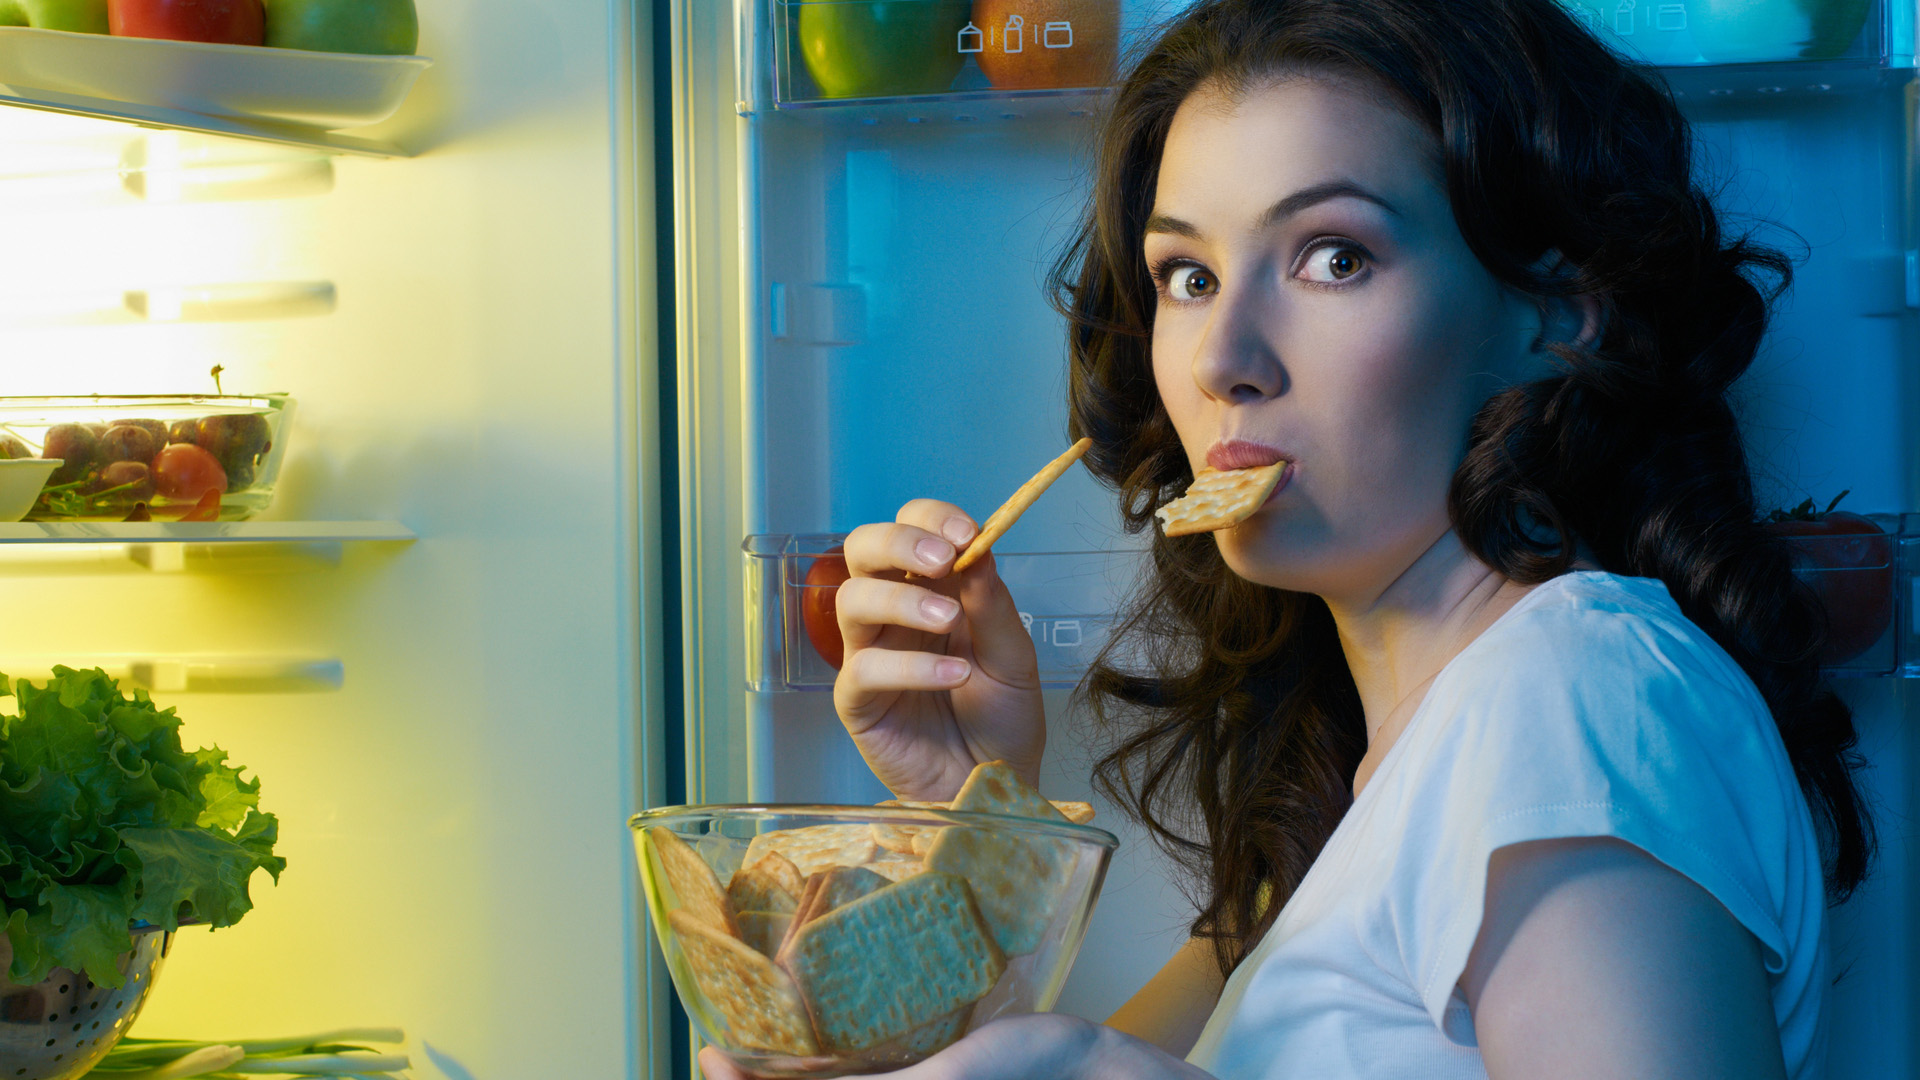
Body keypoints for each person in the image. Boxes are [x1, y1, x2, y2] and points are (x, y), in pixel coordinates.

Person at [701, 0, 1874, 1076]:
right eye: (1189, 274)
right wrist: (978, 800)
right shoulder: (1371, 795)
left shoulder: (1575, 699)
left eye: (1335, 257)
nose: (1221, 361)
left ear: (1556, 313)